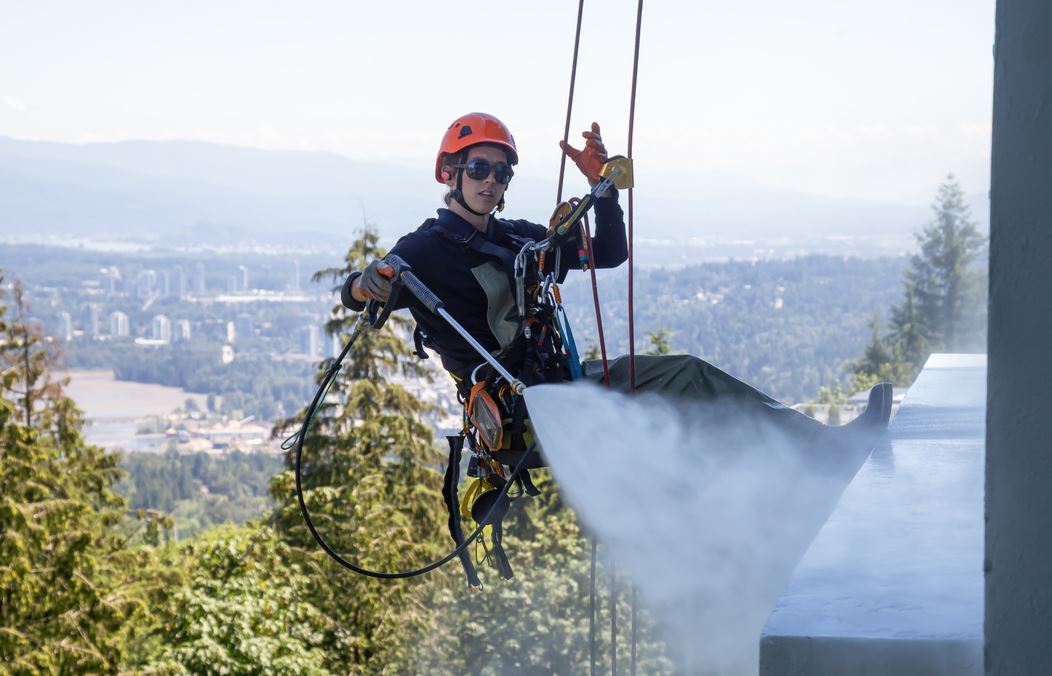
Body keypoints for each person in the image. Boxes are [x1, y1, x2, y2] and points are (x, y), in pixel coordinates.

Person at [342, 112, 627, 391]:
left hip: (557, 378)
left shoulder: (522, 239)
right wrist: (362, 284)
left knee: (668, 375)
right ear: (449, 174)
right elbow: (362, 292)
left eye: (501, 172)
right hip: (509, 405)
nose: (490, 179)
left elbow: (609, 253)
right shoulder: (425, 249)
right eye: (479, 169)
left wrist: (601, 187)